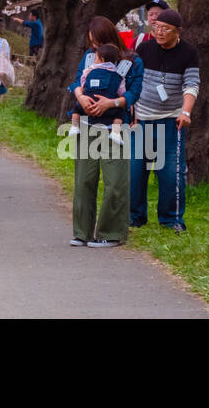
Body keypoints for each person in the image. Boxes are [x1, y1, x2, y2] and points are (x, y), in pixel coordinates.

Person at [67, 17, 144, 248]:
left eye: (97, 42)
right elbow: (77, 81)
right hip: (87, 124)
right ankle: (82, 232)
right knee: (84, 180)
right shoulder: (89, 57)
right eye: (92, 43)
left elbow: (134, 92)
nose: (93, 47)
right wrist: (80, 96)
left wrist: (111, 103)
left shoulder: (133, 61)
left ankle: (111, 233)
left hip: (116, 127)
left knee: (115, 182)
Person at [131, 8, 198, 232]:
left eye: (165, 29)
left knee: (171, 173)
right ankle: (134, 217)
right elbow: (133, 80)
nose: (159, 32)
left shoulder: (188, 53)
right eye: (156, 27)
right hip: (141, 119)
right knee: (135, 171)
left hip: (170, 120)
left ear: (177, 31)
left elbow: (191, 85)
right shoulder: (145, 48)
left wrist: (185, 112)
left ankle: (172, 220)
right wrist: (130, 111)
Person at [67, 43, 126, 143]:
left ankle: (74, 126)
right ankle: (115, 133)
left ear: (102, 59)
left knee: (76, 108)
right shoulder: (118, 75)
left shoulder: (89, 71)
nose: (94, 61)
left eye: (96, 58)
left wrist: (83, 92)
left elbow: (82, 83)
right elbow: (121, 91)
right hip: (109, 108)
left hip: (87, 105)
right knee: (120, 112)